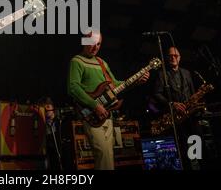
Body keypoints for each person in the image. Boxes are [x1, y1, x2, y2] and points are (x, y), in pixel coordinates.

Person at [67, 31, 149, 170]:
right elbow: (73, 88)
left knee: (108, 156)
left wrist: (136, 82)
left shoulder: (102, 62)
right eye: (93, 43)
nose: (95, 47)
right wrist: (95, 105)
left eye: (98, 44)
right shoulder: (77, 61)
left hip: (107, 114)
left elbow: (115, 84)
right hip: (91, 115)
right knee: (103, 154)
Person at [149, 46, 202, 170]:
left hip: (191, 116)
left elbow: (192, 91)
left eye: (175, 55)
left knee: (198, 145)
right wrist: (172, 104)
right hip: (177, 118)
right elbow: (156, 93)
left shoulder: (187, 73)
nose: (173, 58)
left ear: (180, 58)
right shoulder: (162, 74)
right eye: (170, 56)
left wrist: (195, 104)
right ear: (167, 58)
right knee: (184, 148)